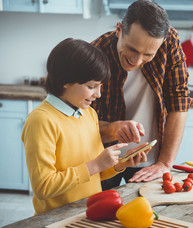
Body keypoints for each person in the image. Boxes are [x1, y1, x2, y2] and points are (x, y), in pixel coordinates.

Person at [21, 38, 148, 214]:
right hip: (55, 220)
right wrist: (95, 165)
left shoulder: (88, 114)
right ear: (64, 81)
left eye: (100, 86)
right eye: (91, 86)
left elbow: (94, 174)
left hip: (88, 213)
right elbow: (43, 187)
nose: (98, 94)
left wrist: (120, 164)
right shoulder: (41, 120)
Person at [91, 0, 193, 189]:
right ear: (119, 29)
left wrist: (165, 162)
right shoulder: (96, 53)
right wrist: (114, 129)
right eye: (132, 49)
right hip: (103, 160)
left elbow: (179, 100)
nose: (137, 61)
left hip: (151, 162)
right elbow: (83, 122)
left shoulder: (169, 40)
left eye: (148, 55)